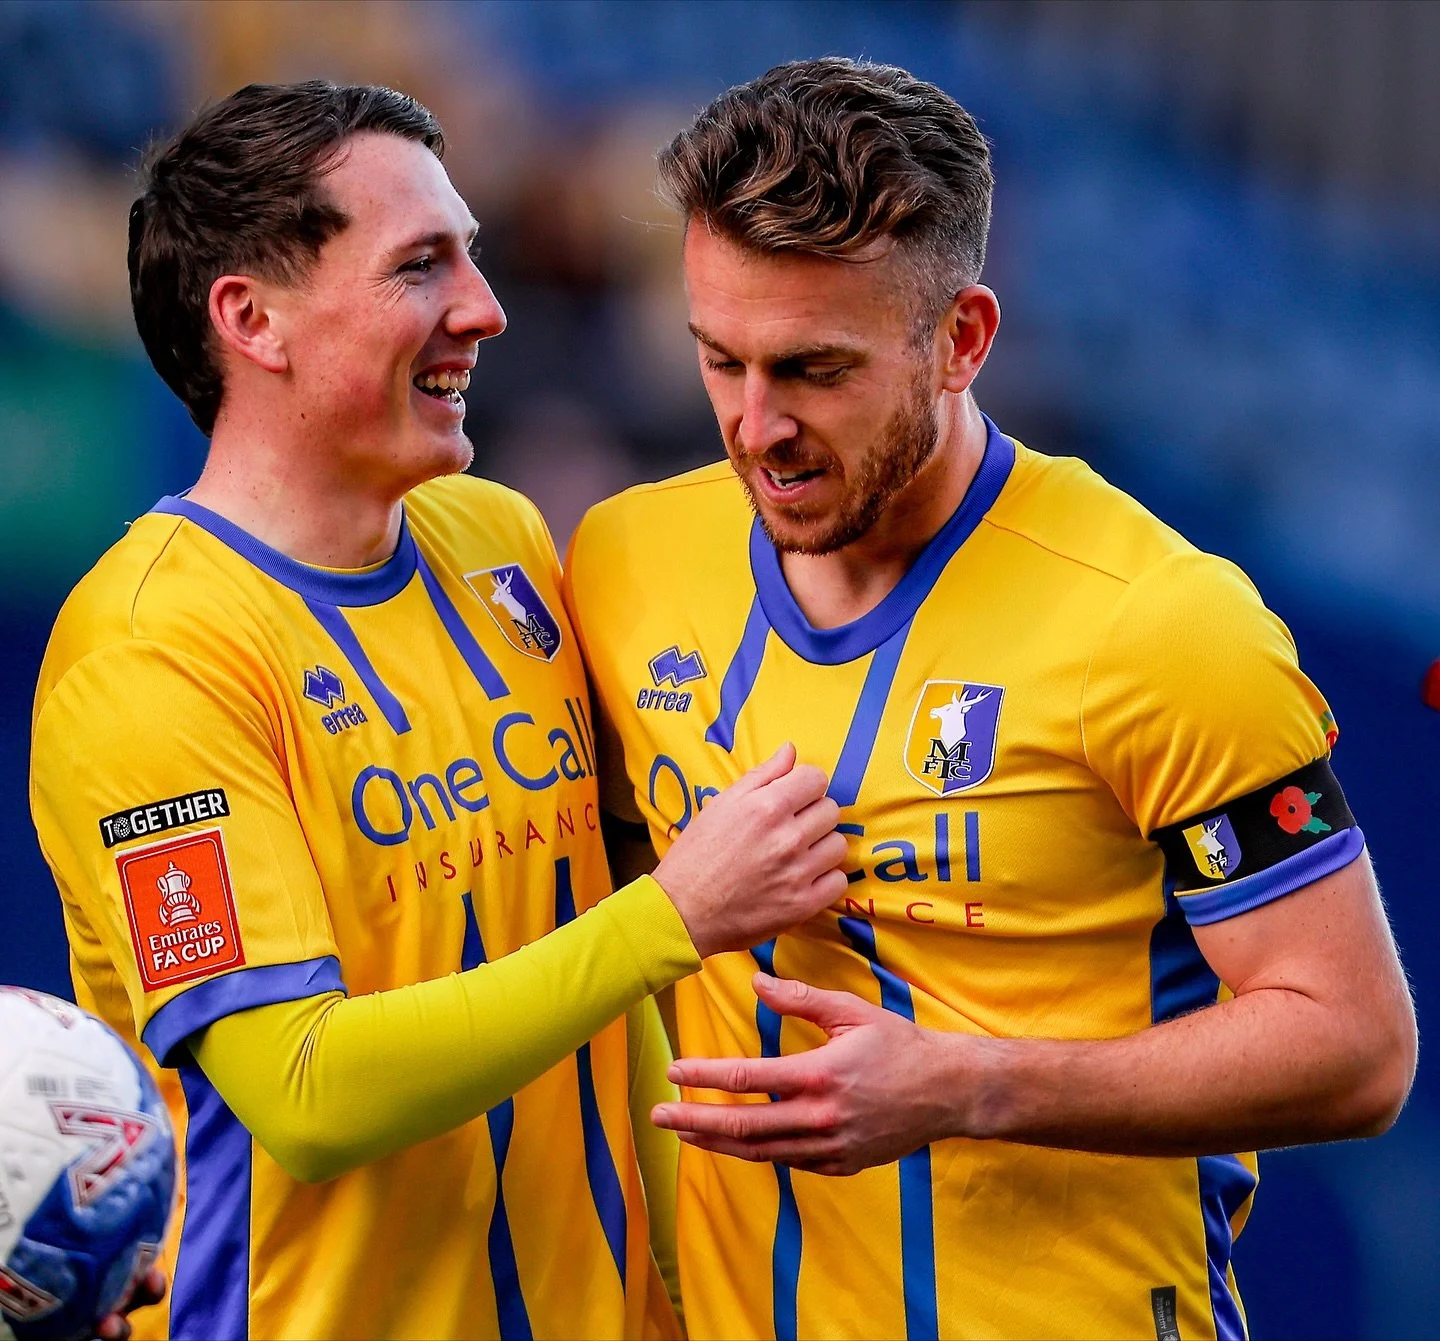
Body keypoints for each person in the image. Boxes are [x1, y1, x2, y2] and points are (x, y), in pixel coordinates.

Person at [563, 57, 1418, 1341]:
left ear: (961, 340)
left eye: (814, 370)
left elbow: (1357, 1050)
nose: (755, 426)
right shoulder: (626, 562)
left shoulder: (1161, 622)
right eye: (718, 358)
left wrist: (964, 1086)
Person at [28, 80, 849, 1341]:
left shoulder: (500, 539)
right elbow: (302, 1091)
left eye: (470, 251)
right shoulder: (150, 650)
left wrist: (677, 1291)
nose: (486, 306)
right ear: (254, 319)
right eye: (422, 265)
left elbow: (594, 958)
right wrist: (678, 913)